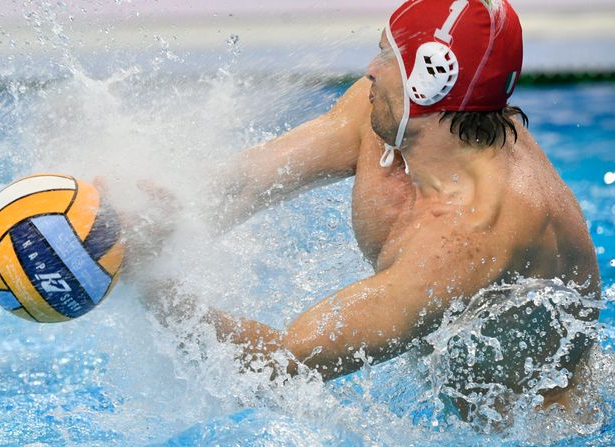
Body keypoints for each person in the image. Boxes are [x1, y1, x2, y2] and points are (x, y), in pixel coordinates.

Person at [128, 0, 600, 420]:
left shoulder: (471, 235)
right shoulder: (388, 113)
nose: (371, 69)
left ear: (431, 77)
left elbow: (285, 363)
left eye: (387, 55)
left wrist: (157, 291)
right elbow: (250, 181)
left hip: (526, 433)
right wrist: (150, 216)